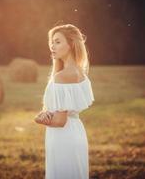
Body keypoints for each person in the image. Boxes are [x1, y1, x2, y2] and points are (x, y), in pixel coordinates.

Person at [34, 23, 95, 179]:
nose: (52, 46)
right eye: (52, 42)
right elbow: (64, 112)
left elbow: (60, 120)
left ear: (71, 44)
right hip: (76, 133)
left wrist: (40, 119)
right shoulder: (80, 73)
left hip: (63, 137)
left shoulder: (61, 76)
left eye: (58, 42)